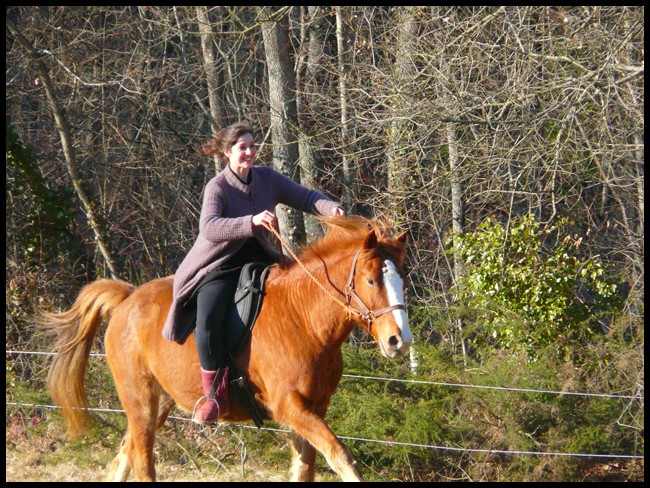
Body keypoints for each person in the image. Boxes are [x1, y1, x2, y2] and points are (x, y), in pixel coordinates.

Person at [162, 121, 345, 424]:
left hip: (260, 260)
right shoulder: (217, 187)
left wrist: (331, 208)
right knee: (208, 319)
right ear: (227, 153)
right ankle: (213, 397)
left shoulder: (267, 179)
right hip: (219, 264)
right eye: (242, 147)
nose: (249, 152)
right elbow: (209, 227)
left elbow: (305, 197)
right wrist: (251, 221)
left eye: (252, 146)